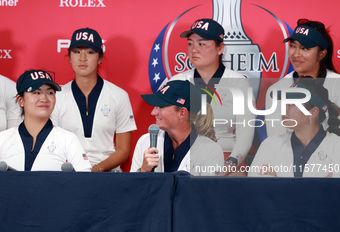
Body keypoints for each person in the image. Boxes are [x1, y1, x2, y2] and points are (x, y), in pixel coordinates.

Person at [164, 18, 255, 173]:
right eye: (190, 43)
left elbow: (245, 134)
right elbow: (165, 127)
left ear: (220, 48)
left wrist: (230, 165)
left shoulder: (238, 83)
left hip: (225, 156)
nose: (194, 50)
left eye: (201, 44)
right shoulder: (177, 81)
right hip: (185, 156)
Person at [51, 27, 137, 172]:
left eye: (90, 52)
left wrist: (96, 170)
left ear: (100, 58)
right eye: (77, 52)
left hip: (106, 173)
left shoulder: (118, 95)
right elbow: (52, 144)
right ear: (69, 56)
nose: (82, 58)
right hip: (67, 172)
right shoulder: (57, 96)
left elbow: (123, 150)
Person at [0, 69, 91, 171]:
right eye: (37, 92)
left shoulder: (68, 139)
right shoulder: (3, 140)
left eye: (50, 92)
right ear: (21, 100)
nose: (44, 98)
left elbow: (85, 180)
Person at [249, 76, 340, 177]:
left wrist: (278, 182)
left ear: (313, 112)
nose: (284, 109)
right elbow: (257, 186)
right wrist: (319, 187)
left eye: (291, 104)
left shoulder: (336, 146)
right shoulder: (271, 144)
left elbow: (335, 191)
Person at [130, 80, 224, 176]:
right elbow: (132, 188)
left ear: (182, 113)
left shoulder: (211, 151)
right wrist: (143, 171)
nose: (153, 112)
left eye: (161, 106)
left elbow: (208, 190)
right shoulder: (145, 141)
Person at [266, 18, 340, 137]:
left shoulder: (337, 85)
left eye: (304, 48)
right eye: (293, 46)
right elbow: (277, 141)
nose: (295, 54)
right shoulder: (276, 90)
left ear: (322, 54)